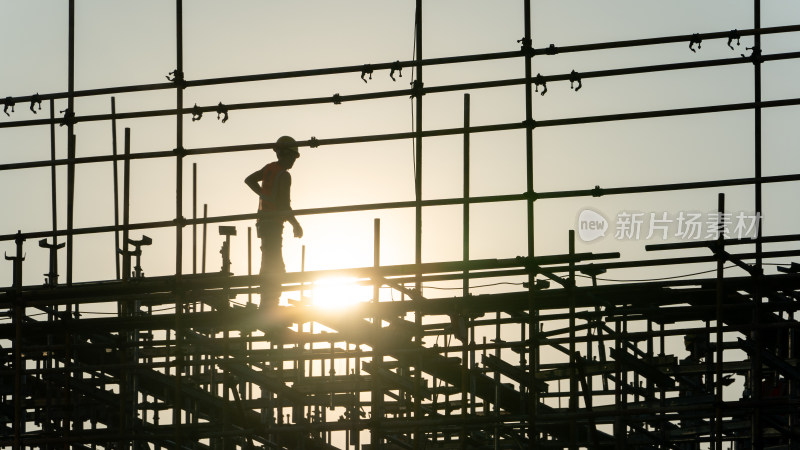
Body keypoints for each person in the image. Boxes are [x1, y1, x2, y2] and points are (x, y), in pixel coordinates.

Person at [245, 135, 303, 305]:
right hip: (273, 223)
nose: (294, 161)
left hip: (263, 221)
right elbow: (285, 205)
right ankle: (270, 304)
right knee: (275, 263)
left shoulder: (269, 169)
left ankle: (267, 300)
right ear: (284, 154)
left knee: (269, 257)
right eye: (292, 157)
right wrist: (296, 225)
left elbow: (249, 180)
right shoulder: (284, 175)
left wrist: (265, 195)